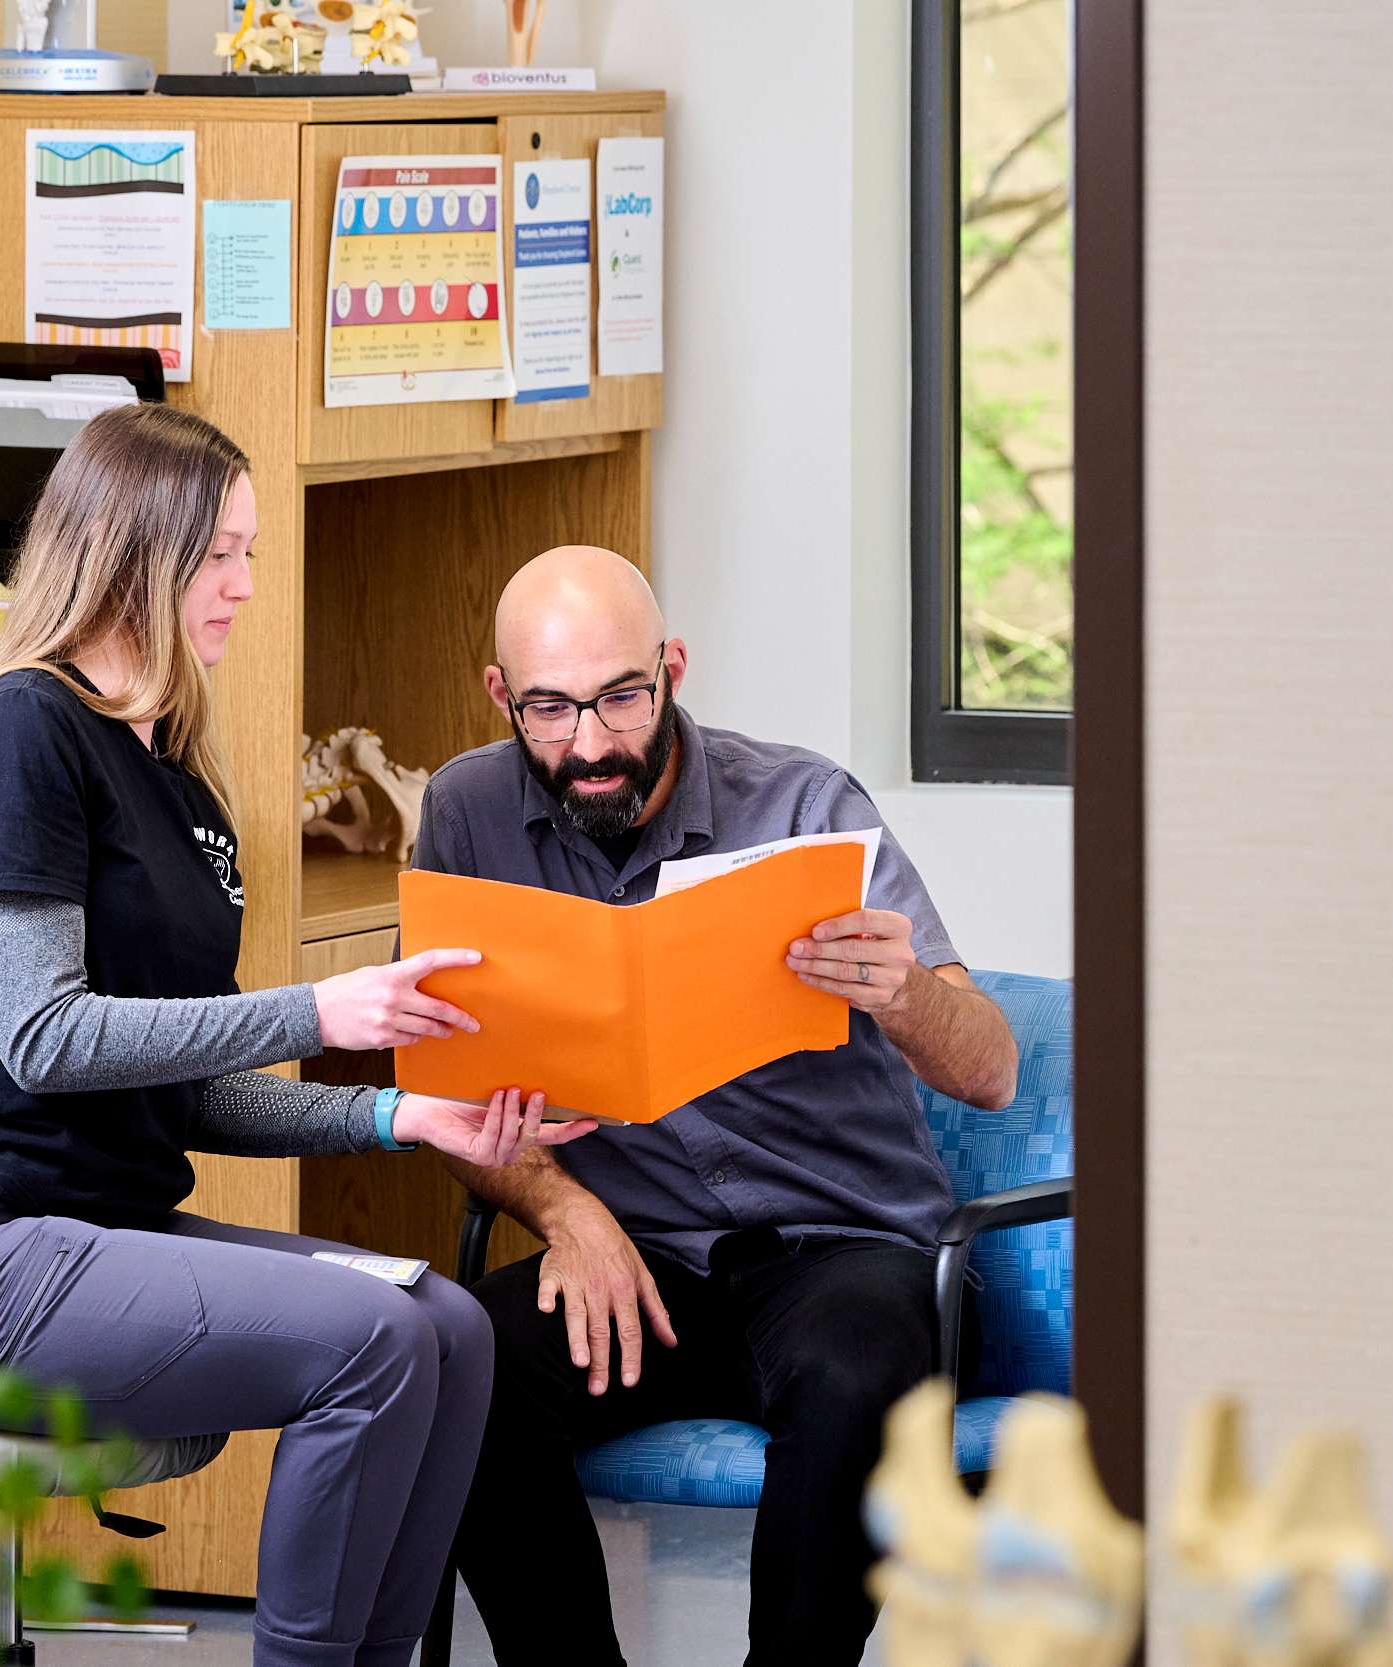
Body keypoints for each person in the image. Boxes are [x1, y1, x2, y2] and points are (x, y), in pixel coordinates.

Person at [0, 405, 592, 1667]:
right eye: (218, 554)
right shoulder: (19, 732)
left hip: (81, 1224)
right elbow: (43, 1040)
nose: (242, 585)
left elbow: (187, 1090)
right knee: (378, 1342)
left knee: (447, 1325)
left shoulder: (174, 778)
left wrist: (403, 1114)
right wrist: (322, 1011)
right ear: (131, 555)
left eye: (247, 552)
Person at [421, 545, 1020, 1667]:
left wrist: (903, 996)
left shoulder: (802, 804)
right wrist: (563, 1209)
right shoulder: (466, 813)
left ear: (672, 669)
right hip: (636, 1261)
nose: (589, 742)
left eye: (620, 697)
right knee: (452, 1360)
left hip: (845, 1248)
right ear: (499, 694)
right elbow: (455, 1091)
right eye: (549, 709)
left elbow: (988, 1071)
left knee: (848, 1374)